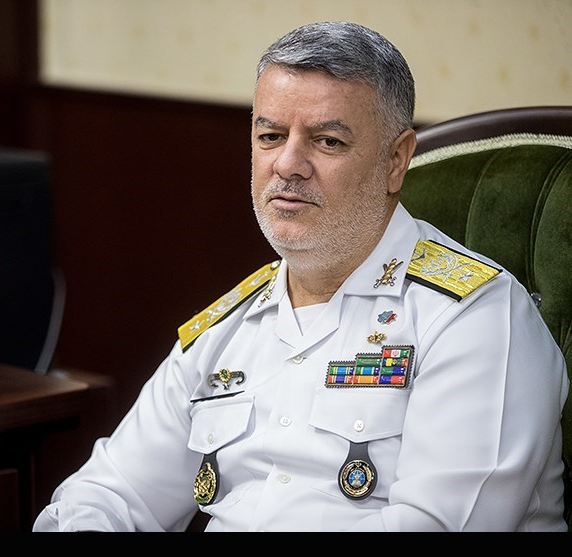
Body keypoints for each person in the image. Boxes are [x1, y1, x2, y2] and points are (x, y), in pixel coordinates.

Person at [33, 21, 570, 532]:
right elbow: (107, 494)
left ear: (395, 160)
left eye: (327, 141)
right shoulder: (225, 331)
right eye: (270, 135)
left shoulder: (474, 319)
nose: (288, 164)